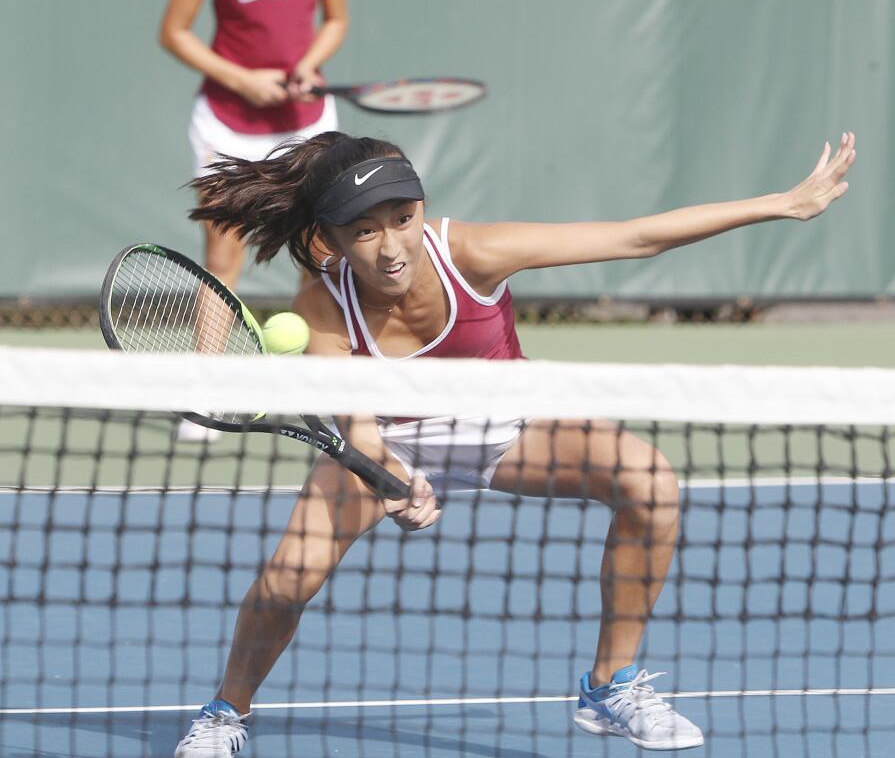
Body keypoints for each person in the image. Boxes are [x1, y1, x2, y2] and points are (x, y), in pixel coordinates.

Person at [172, 130, 856, 756]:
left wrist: (782, 204)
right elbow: (360, 431)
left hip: (505, 425)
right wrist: (395, 484)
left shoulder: (469, 252)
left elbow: (634, 238)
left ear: (421, 210)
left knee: (648, 482)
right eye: (365, 230)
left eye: (403, 220)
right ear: (331, 238)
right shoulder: (322, 305)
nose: (391, 247)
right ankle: (225, 713)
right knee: (286, 579)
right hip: (393, 442)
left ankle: (609, 687)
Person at [159, 0, 348, 292]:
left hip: (307, 122)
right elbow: (174, 32)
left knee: (321, 256)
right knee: (222, 257)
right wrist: (242, 81)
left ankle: (320, 367)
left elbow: (337, 20)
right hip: (225, 125)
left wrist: (308, 64)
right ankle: (207, 369)